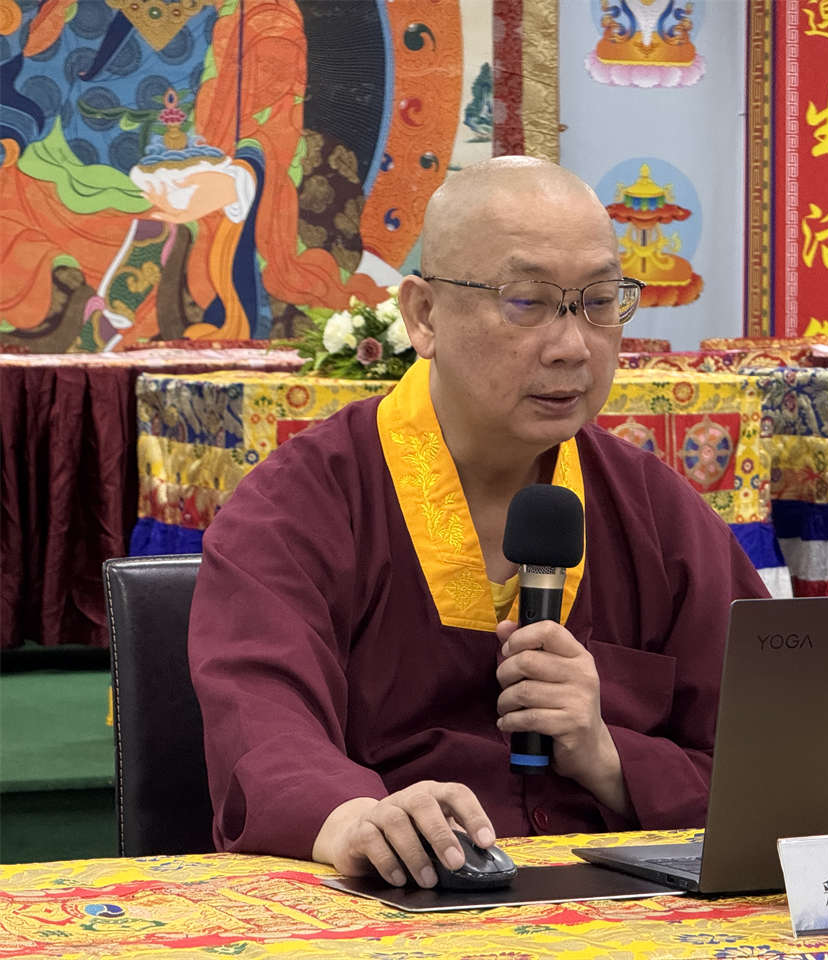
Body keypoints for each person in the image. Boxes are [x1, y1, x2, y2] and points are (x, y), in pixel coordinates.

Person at [187, 156, 768, 889]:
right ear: (424, 315)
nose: (572, 346)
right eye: (527, 301)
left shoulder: (654, 510)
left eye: (598, 301)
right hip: (398, 905)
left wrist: (608, 757)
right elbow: (262, 732)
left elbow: (773, 759)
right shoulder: (300, 505)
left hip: (621, 912)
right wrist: (357, 818)